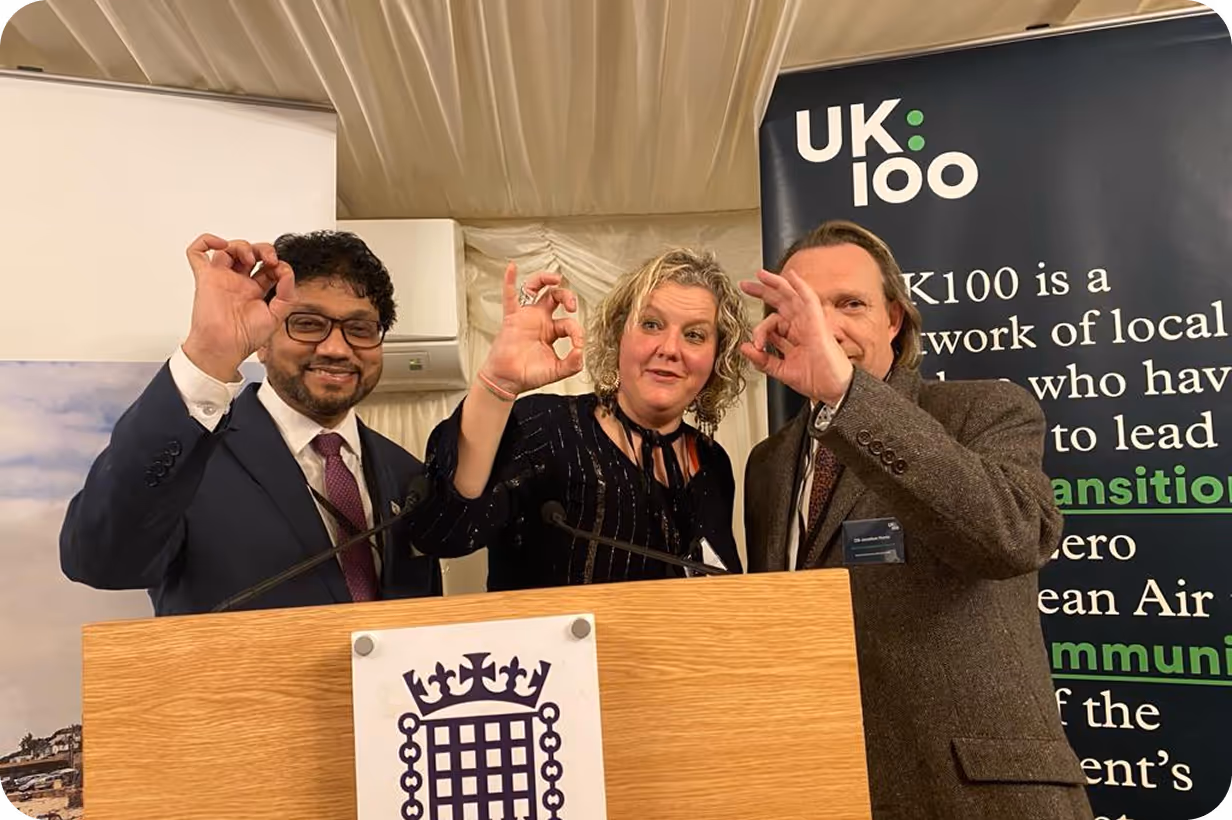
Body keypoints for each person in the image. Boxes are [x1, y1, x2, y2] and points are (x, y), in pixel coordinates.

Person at [740, 220, 1092, 820]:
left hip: (975, 792)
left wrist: (847, 397)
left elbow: (1012, 536)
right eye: (805, 306)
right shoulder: (768, 463)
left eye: (849, 304)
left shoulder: (984, 408)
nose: (824, 326)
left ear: (894, 320)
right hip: (827, 782)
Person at [60, 231, 442, 615]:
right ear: (263, 339)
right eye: (308, 324)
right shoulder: (193, 454)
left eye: (360, 330)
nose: (336, 348)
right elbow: (99, 561)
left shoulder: (408, 474)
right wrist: (207, 355)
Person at [416, 249, 751, 589]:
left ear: (717, 357)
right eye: (651, 324)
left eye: (694, 335)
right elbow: (443, 530)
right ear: (619, 336)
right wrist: (497, 384)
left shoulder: (713, 463)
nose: (669, 348)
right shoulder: (545, 427)